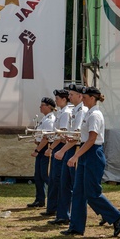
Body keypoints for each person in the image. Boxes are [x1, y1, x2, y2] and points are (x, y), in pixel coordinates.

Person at [61, 86, 120, 237]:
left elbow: (92, 139)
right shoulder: (88, 113)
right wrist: (74, 138)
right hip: (86, 152)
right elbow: (85, 137)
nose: (82, 99)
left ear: (92, 98)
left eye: (84, 97)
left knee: (92, 193)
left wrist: (75, 156)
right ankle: (76, 227)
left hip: (93, 153)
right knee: (78, 192)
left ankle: (116, 216)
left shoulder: (95, 114)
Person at [49, 83, 86, 226]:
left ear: (80, 96)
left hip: (76, 149)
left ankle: (76, 217)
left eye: (71, 94)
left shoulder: (81, 111)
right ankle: (63, 215)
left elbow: (77, 136)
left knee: (76, 186)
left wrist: (62, 150)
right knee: (64, 184)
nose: (69, 97)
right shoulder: (74, 110)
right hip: (69, 147)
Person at [44, 88, 72, 219]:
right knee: (53, 179)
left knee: (58, 179)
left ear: (64, 99)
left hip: (60, 146)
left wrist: (51, 148)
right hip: (57, 145)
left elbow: (62, 135)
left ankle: (59, 210)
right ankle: (53, 207)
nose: (56, 101)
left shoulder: (65, 113)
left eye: (58, 98)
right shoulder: (61, 112)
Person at [28, 97, 57, 208]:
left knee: (45, 175)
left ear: (49, 107)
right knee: (38, 176)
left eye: (43, 105)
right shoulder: (44, 118)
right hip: (41, 147)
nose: (40, 107)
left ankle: (54, 198)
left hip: (45, 148)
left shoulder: (50, 120)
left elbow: (46, 138)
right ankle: (40, 199)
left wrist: (37, 150)